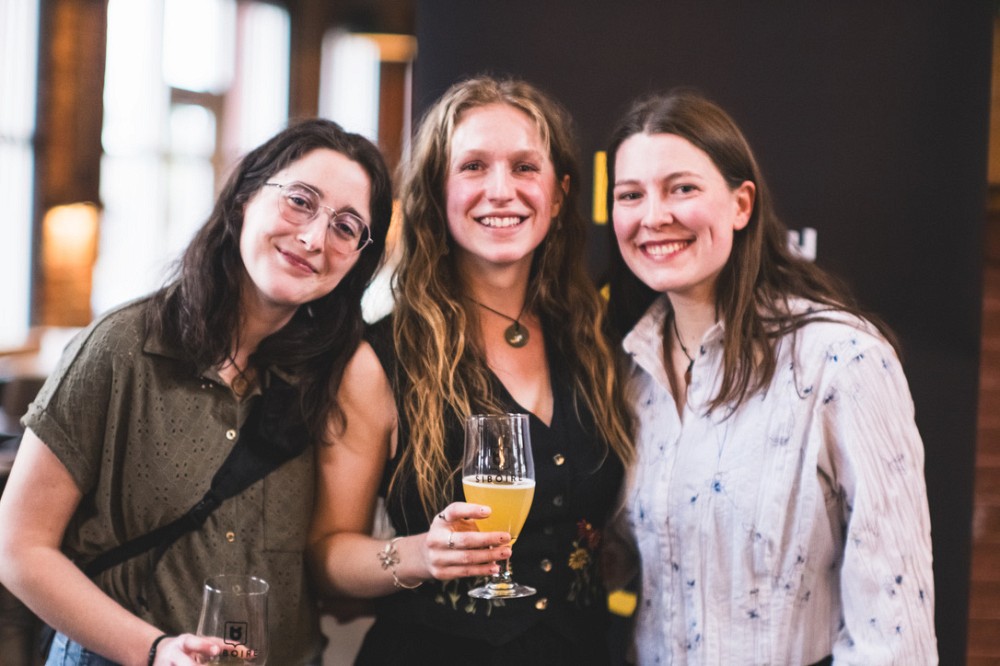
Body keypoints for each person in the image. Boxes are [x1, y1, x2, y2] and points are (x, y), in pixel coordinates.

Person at [0, 118, 392, 665]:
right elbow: (18, 548)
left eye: (347, 227)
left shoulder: (337, 377)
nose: (313, 238)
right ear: (244, 199)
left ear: (357, 263)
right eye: (300, 201)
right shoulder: (122, 348)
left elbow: (329, 560)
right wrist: (156, 650)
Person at [308, 75, 634, 664]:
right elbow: (327, 557)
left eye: (525, 167)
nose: (502, 190)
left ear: (559, 195)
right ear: (436, 192)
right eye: (474, 167)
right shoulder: (379, 360)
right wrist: (417, 555)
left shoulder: (596, 343)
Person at [605, 89, 938, 664]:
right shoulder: (627, 369)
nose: (654, 215)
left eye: (682, 188)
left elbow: (896, 630)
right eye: (631, 195)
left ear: (741, 205)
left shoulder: (842, 360)